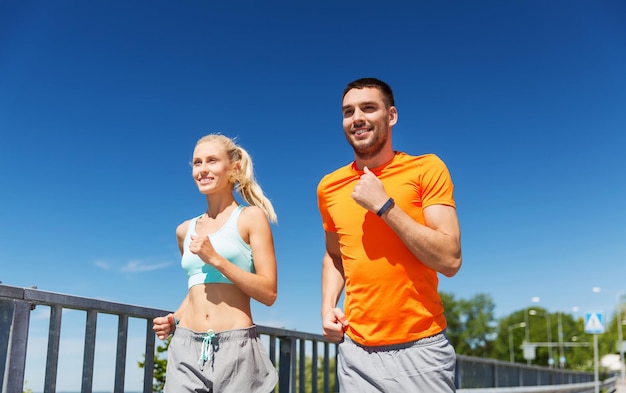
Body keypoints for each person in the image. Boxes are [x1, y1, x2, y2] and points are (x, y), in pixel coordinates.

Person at [317, 78, 462, 392]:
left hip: (420, 352)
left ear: (391, 115)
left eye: (368, 108)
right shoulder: (328, 186)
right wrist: (328, 306)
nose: (357, 118)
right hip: (355, 353)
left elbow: (450, 259)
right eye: (348, 111)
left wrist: (384, 205)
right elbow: (334, 254)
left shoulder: (427, 168)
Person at [153, 134, 279, 393]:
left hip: (237, 351)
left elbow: (268, 293)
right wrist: (174, 319)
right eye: (197, 163)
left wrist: (217, 259)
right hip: (185, 348)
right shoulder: (184, 230)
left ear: (234, 168)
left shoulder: (251, 218)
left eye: (212, 161)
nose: (203, 169)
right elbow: (198, 286)